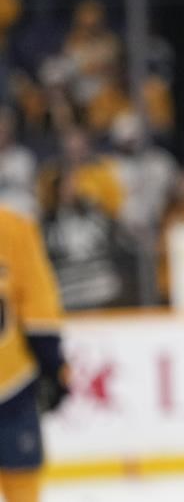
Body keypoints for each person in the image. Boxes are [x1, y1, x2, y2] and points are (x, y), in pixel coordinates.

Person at [0, 206, 69, 502]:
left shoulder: (14, 227)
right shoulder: (13, 226)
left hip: (12, 384)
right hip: (10, 383)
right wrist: (54, 370)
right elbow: (39, 309)